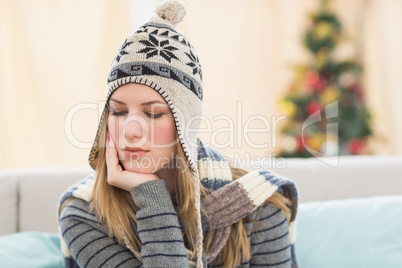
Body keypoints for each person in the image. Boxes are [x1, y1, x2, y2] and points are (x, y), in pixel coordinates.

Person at [57, 1, 299, 267]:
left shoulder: (260, 206)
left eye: (153, 114)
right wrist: (151, 196)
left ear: (186, 124)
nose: (131, 131)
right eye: (118, 111)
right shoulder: (83, 213)